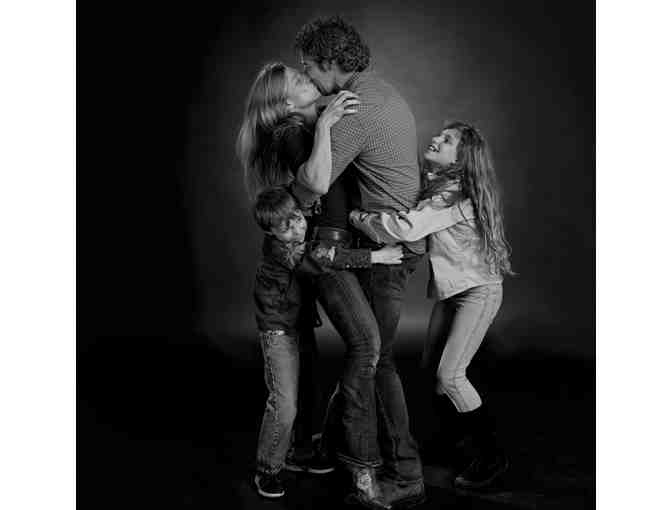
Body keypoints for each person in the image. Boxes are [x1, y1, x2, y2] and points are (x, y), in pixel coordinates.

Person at [237, 62, 396, 508]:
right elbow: (317, 185)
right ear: (286, 104)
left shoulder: (301, 123)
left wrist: (326, 115)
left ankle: (305, 451)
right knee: (298, 384)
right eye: (298, 81)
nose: (308, 80)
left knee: (307, 366)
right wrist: (325, 125)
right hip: (297, 279)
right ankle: (279, 464)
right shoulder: (291, 133)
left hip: (301, 285)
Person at [293, 16, 427, 508]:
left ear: (330, 62)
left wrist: (313, 125)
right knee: (367, 354)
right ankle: (331, 449)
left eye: (309, 68)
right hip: (395, 239)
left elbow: (314, 183)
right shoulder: (380, 92)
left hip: (385, 250)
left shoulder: (355, 110)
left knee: (377, 360)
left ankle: (405, 475)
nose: (306, 77)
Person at [350, 121, 514, 489]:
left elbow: (406, 228)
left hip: (478, 292)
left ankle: (492, 456)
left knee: (450, 375)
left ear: (462, 158)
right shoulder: (441, 188)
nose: (436, 139)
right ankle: (453, 442)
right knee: (432, 369)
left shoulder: (453, 196)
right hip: (454, 293)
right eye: (440, 135)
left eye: (448, 140)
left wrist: (358, 218)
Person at [250, 186, 403, 499]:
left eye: (297, 218)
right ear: (270, 232)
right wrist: (377, 256)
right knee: (284, 404)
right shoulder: (284, 250)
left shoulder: (296, 231)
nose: (297, 229)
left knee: (308, 390)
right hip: (278, 332)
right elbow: (325, 257)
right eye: (286, 228)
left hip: (299, 326)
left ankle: (301, 453)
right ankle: (267, 469)